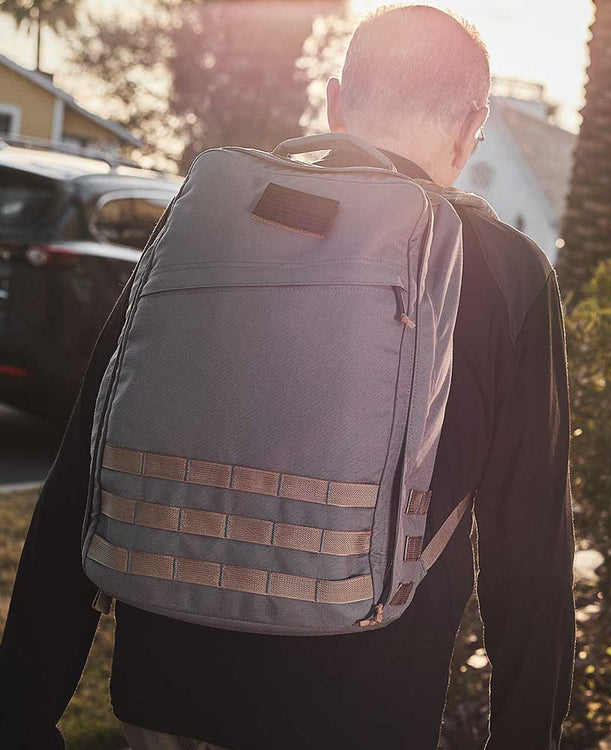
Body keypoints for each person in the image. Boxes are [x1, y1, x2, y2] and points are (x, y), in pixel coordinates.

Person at [0, 6, 574, 749]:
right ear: (473, 126)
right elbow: (529, 546)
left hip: (163, 690)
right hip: (360, 711)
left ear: (335, 104)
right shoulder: (506, 272)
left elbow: (88, 458)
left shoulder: (210, 219)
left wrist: (23, 710)